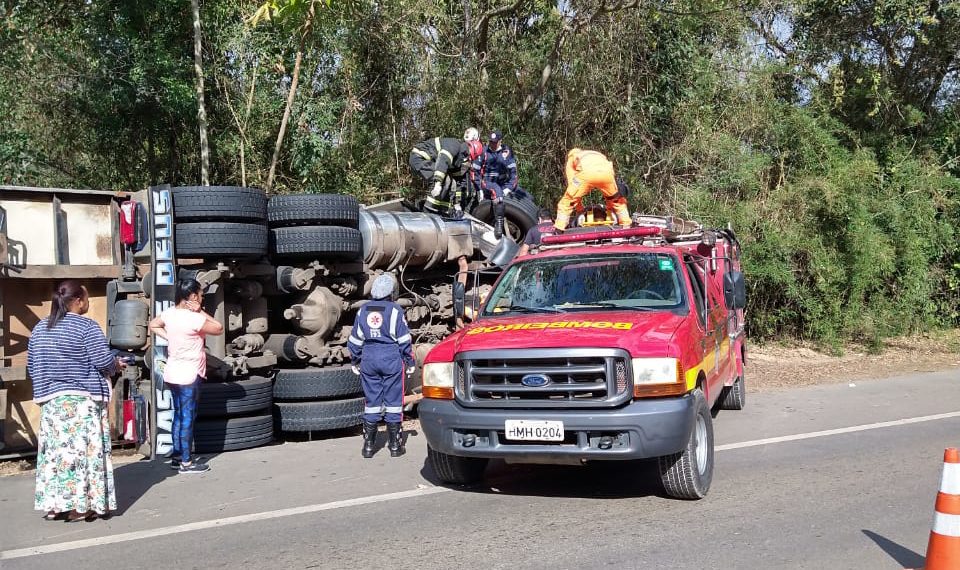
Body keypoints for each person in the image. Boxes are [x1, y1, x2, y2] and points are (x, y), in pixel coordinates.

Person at [28, 279, 119, 522]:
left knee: (55, 455)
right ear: (78, 301)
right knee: (83, 455)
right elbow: (103, 361)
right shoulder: (86, 327)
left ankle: (55, 504)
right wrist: (115, 365)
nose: (87, 303)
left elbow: (32, 365)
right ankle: (81, 506)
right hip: (82, 403)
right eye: (86, 299)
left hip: (51, 403)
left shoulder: (40, 328)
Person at [148, 278, 223, 474]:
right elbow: (218, 328)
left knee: (178, 415)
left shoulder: (169, 313)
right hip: (190, 373)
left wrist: (169, 337)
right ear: (193, 297)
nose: (202, 298)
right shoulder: (194, 318)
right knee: (188, 417)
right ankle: (187, 462)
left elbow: (153, 324)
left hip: (172, 372)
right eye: (200, 295)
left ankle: (177, 457)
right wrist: (200, 311)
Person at [349, 273, 416, 458]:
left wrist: (355, 360)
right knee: (394, 402)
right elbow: (404, 339)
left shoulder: (363, 310)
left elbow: (355, 339)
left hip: (369, 359)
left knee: (372, 402)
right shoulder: (395, 310)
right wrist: (409, 361)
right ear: (391, 292)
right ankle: (395, 446)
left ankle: (368, 447)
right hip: (391, 358)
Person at [555, 148, 632, 232]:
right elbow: (610, 169)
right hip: (607, 174)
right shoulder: (596, 154)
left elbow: (571, 182)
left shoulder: (572, 158)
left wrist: (580, 210)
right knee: (616, 200)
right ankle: (626, 225)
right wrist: (609, 209)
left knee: (567, 201)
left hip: (586, 174)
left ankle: (559, 228)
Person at [409, 136, 471, 218]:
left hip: (430, 162)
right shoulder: (454, 145)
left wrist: (457, 204)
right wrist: (437, 184)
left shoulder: (458, 159)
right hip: (419, 158)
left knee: (452, 182)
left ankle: (443, 211)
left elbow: (457, 182)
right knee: (446, 180)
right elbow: (442, 162)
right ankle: (428, 210)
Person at [474, 130, 519, 239]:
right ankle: (498, 225)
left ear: (500, 141)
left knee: (517, 192)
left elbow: (513, 173)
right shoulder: (483, 151)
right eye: (491, 142)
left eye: (495, 142)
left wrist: (509, 188)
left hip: (503, 182)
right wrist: (478, 188)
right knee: (496, 190)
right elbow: (475, 171)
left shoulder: (506, 152)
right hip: (487, 182)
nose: (492, 144)